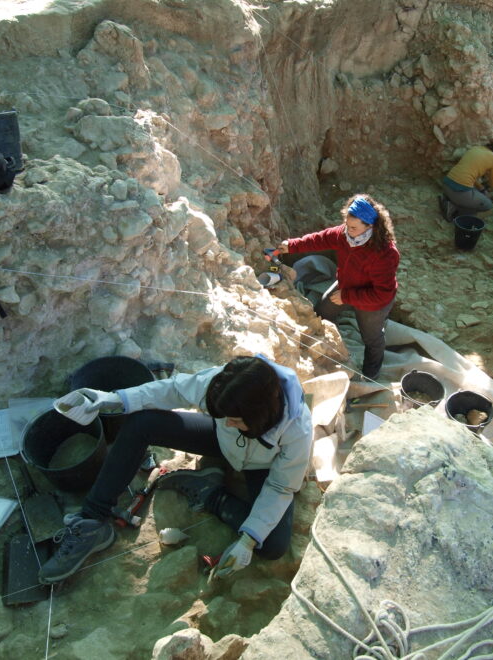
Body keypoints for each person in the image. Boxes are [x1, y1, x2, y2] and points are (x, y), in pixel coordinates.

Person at [38, 355, 313, 584]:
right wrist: (114, 399)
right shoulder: (225, 384)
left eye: (235, 420)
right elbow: (173, 390)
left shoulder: (297, 430)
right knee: (141, 423)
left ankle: (210, 494)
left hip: (261, 466)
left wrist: (249, 540)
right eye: (224, 416)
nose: (228, 422)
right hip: (220, 443)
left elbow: (281, 486)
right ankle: (92, 521)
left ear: (259, 417)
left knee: (273, 544)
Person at [278, 194, 398, 381]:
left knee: (371, 339)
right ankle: (325, 349)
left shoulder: (385, 253)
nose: (348, 231)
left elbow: (382, 295)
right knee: (322, 312)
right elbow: (320, 239)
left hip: (372, 304)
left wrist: (347, 297)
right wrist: (292, 246)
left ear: (370, 226)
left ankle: (370, 375)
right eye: (347, 225)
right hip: (346, 286)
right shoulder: (345, 235)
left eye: (353, 228)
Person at [437, 141, 493, 222]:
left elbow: (471, 175)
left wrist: (482, 189)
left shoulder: (475, 149)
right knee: (487, 205)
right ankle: (452, 208)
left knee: (476, 194)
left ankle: (450, 200)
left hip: (446, 184)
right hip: (458, 192)